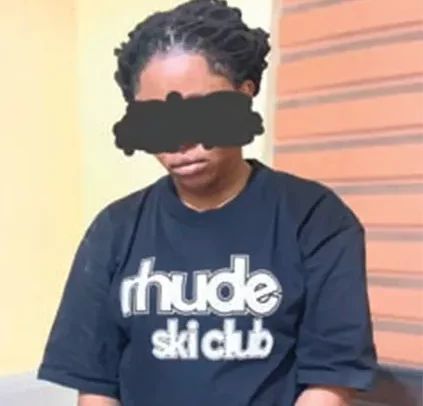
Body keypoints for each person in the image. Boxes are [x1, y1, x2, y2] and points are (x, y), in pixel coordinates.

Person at [37, 1, 378, 405]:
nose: (181, 142)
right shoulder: (114, 229)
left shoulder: (315, 218)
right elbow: (96, 384)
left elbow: (330, 380)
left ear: (244, 95)